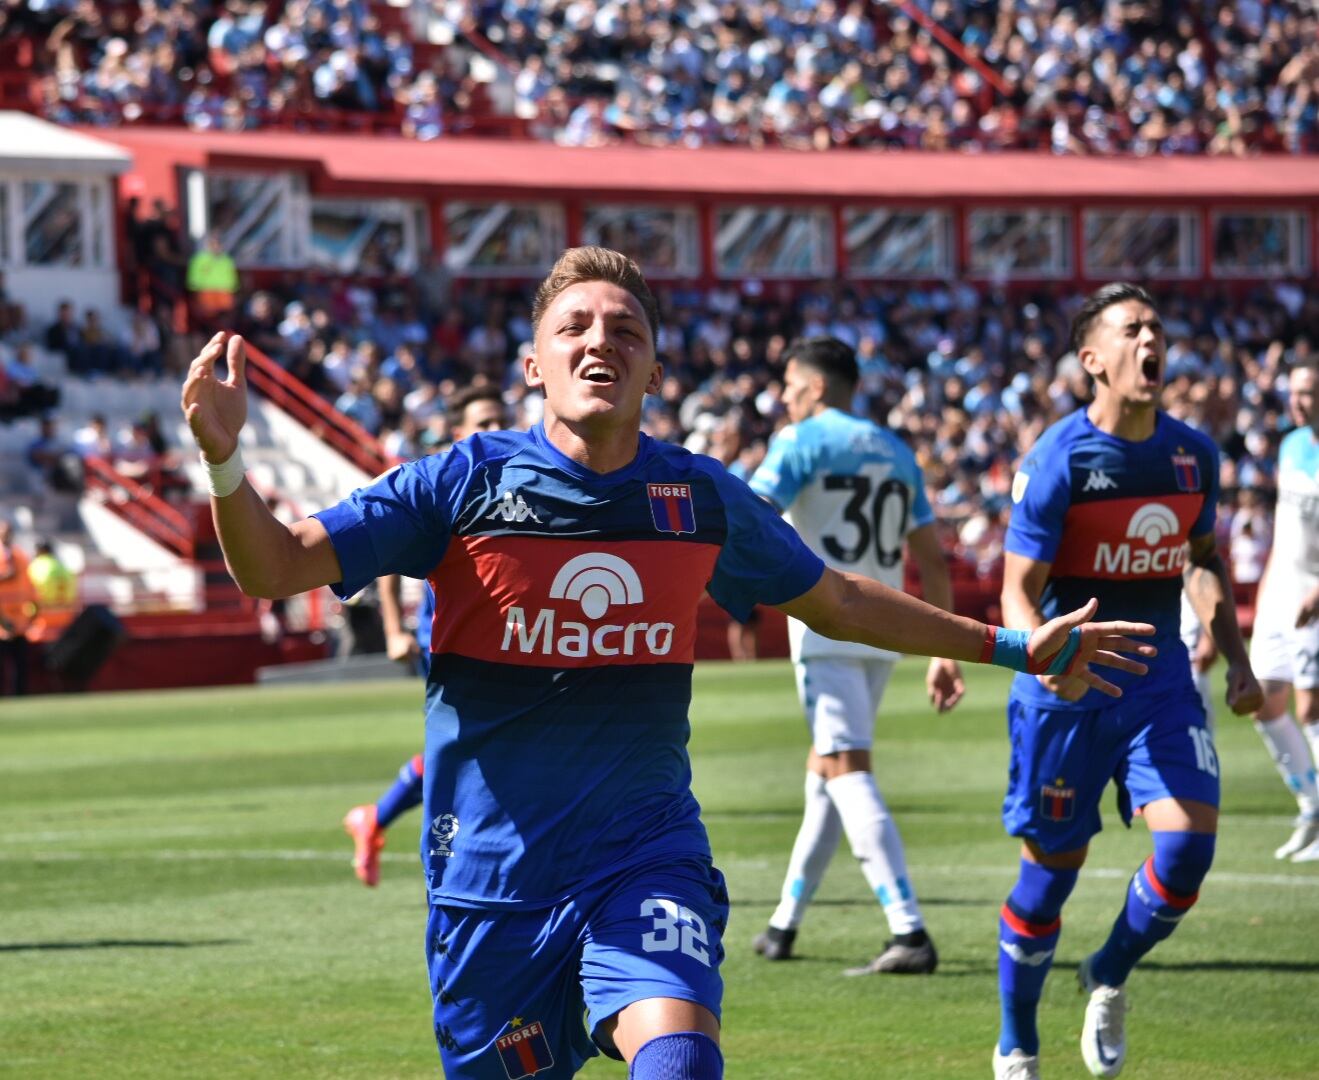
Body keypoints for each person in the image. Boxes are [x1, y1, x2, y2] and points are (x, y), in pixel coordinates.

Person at [182, 246, 1154, 1080]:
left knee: (680, 1058)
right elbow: (273, 565)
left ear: (650, 371)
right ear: (532, 362)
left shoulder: (695, 498)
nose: (598, 341)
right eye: (573, 328)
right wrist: (226, 462)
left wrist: (1013, 647)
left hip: (640, 860)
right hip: (489, 887)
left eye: (624, 331)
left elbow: (840, 597)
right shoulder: (460, 483)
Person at [993, 282, 1262, 1080]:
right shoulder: (1058, 459)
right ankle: (1016, 1043)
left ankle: (1106, 974)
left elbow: (1202, 559)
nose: (1151, 341)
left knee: (1185, 852)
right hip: (1063, 697)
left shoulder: (1190, 455)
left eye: (1156, 329)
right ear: (1092, 360)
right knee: (1047, 881)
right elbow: (1015, 589)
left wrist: (1237, 658)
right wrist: (1051, 661)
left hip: (1158, 683)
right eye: (1131, 330)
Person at [746, 336, 962, 975]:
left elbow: (751, 514)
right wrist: (942, 651)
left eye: (789, 385)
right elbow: (931, 557)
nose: (784, 398)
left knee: (845, 769)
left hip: (825, 627)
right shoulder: (895, 449)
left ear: (814, 388)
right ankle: (784, 922)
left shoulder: (800, 439)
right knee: (825, 776)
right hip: (884, 629)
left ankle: (909, 931)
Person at [344, 382, 508, 887]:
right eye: (484, 423)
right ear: (458, 432)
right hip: (448, 643)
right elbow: (392, 558)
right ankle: (454, 863)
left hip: (505, 643)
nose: (497, 430)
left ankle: (377, 819)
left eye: (502, 418)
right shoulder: (444, 483)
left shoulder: (523, 477)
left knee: (484, 748)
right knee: (475, 749)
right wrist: (394, 629)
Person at [1247, 358, 1319, 862]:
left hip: (1314, 595)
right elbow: (1284, 523)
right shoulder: (1292, 445)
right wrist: (1268, 588)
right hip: (1280, 592)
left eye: (1308, 392)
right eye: (1294, 392)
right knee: (1261, 699)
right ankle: (1310, 808)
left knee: (1310, 707)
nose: (1297, 401)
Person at [0, 521, 38, 696]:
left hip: (20, 622)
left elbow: (28, 585)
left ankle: (20, 696)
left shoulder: (19, 555)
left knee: (21, 665)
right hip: (2, 622)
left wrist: (33, 614)